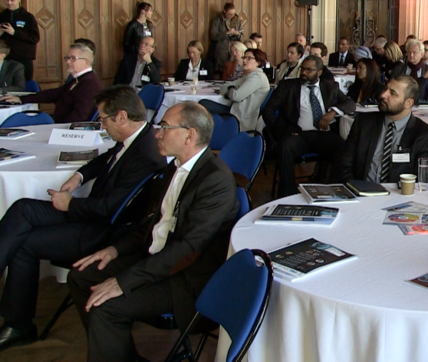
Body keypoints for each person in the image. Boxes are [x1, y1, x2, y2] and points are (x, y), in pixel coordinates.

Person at [67, 102, 238, 361]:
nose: (157, 133)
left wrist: (124, 282)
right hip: (157, 258)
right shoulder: (174, 167)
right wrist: (115, 250)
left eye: (165, 128)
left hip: (185, 277)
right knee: (80, 277)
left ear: (189, 135)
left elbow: (187, 250)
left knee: (106, 306)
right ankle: (118, 352)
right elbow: (155, 224)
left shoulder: (215, 180)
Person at [0, 86, 166, 351]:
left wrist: (70, 204)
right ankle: (18, 323)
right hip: (91, 215)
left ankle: (19, 326)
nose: (102, 125)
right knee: (22, 209)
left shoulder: (145, 154)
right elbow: (108, 159)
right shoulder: (137, 137)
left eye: (103, 119)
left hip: (103, 231)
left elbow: (111, 209)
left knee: (23, 243)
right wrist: (80, 176)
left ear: (121, 117)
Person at [262, 55, 355, 198]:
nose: (304, 73)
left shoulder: (330, 87)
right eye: (303, 69)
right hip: (299, 135)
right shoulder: (287, 86)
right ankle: (287, 195)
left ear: (319, 72)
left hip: (324, 135)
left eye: (309, 70)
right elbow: (268, 110)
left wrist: (333, 112)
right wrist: (283, 131)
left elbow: (350, 104)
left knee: (344, 148)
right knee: (285, 147)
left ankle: (336, 191)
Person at [335, 75, 428, 183]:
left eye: (392, 93)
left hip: (400, 192)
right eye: (385, 89)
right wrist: (354, 188)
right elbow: (344, 164)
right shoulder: (364, 122)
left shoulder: (426, 135)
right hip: (361, 190)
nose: (383, 95)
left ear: (408, 103)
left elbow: (422, 180)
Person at [1, 42, 102, 122]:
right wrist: (21, 99)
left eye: (72, 58)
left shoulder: (89, 84)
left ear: (86, 62)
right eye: (67, 58)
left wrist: (55, 127)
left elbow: (79, 116)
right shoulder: (79, 79)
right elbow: (53, 94)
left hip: (67, 129)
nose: (67, 62)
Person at [199, 49, 270, 131]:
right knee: (203, 103)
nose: (244, 60)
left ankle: (204, 133)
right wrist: (231, 90)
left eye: (249, 58)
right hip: (235, 108)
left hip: (241, 114)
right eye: (244, 57)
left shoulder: (257, 77)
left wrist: (230, 89)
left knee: (202, 105)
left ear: (258, 62)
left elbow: (236, 96)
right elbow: (224, 87)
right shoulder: (249, 75)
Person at [0, 0, 39, 81]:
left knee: (25, 85)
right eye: (7, 0)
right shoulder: (1, 16)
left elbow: (35, 38)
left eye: (12, 0)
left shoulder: (28, 17)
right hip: (6, 59)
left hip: (24, 59)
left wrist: (14, 32)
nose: (9, 3)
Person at [208, 3, 243, 74]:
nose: (231, 16)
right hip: (222, 49)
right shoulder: (217, 21)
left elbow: (242, 36)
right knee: (222, 71)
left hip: (235, 48)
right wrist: (226, 33)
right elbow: (213, 36)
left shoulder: (238, 21)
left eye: (233, 14)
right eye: (229, 14)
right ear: (224, 11)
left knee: (234, 70)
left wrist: (237, 34)